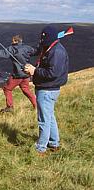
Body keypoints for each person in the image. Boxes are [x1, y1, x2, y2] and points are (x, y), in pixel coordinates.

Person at [24, 25, 69, 155]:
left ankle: (41, 148)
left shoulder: (56, 51)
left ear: (48, 37)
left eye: (43, 38)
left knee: (43, 119)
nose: (41, 41)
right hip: (49, 88)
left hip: (47, 90)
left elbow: (53, 72)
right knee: (50, 117)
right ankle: (54, 143)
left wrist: (34, 71)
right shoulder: (52, 48)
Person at [0, 35, 37, 113]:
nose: (12, 42)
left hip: (18, 74)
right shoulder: (27, 48)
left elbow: (0, 53)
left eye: (13, 40)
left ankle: (10, 107)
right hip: (27, 73)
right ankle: (36, 105)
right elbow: (36, 51)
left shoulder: (12, 49)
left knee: (7, 88)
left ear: (15, 41)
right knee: (25, 89)